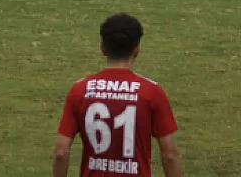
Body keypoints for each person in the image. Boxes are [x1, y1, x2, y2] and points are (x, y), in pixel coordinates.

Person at [54, 14, 182, 177]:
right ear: (137, 49)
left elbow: (61, 152)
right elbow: (169, 155)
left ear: (103, 48)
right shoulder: (151, 92)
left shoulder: (80, 90)